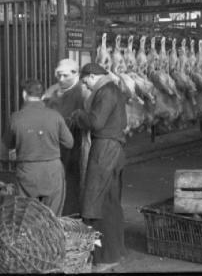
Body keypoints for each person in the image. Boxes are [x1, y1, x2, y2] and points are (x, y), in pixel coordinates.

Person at [69, 63, 127, 271]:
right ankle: (113, 253)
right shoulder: (113, 90)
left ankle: (103, 257)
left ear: (93, 76)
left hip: (105, 150)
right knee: (110, 201)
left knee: (95, 200)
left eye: (86, 82)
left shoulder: (106, 92)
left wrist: (78, 115)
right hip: (112, 148)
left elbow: (96, 122)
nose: (87, 86)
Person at [4, 79, 74, 216]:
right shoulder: (55, 116)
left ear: (24, 94)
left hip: (27, 171)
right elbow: (69, 143)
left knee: (28, 216)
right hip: (52, 171)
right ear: (42, 96)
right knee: (52, 217)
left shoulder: (15, 118)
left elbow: (8, 144)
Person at [43, 59, 90, 215]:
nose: (61, 79)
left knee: (72, 179)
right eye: (59, 76)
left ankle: (71, 213)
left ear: (75, 74)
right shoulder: (53, 90)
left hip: (75, 141)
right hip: (54, 143)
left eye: (65, 76)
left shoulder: (83, 91)